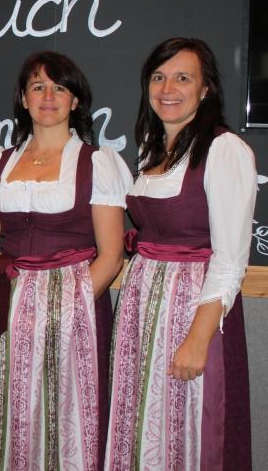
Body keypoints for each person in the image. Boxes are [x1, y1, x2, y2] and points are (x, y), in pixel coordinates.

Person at [0, 51, 131, 470]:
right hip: (4, 308)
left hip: (73, 311)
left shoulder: (98, 162)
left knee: (64, 415)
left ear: (76, 101)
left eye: (60, 87)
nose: (48, 96)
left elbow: (111, 255)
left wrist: (62, 308)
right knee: (3, 412)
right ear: (23, 98)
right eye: (38, 86)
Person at [105, 38, 256, 470]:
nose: (168, 87)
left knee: (192, 429)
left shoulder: (224, 150)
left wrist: (197, 340)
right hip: (143, 308)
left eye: (183, 78)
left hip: (190, 312)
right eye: (158, 77)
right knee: (144, 430)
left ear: (205, 89)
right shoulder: (154, 146)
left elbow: (229, 260)